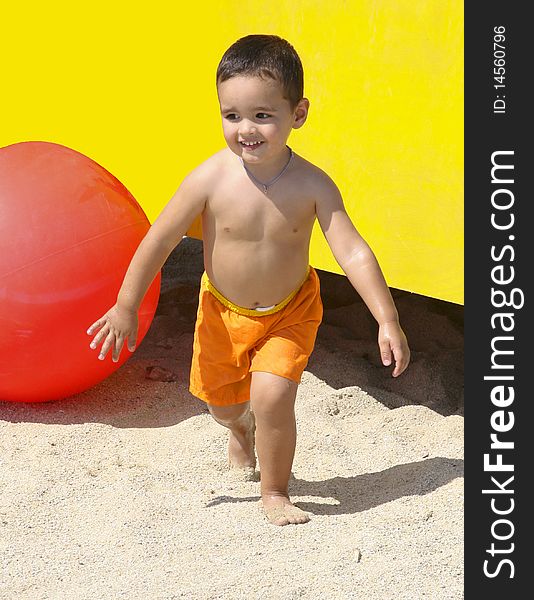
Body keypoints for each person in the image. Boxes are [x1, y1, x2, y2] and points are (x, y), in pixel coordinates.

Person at [87, 34, 410, 526]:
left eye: (263, 115)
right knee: (225, 405)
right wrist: (126, 304)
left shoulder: (314, 185)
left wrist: (386, 318)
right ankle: (239, 429)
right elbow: (160, 240)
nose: (246, 129)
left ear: (297, 114)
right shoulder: (209, 179)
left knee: (273, 394)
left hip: (290, 311)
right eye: (231, 116)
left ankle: (275, 491)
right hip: (222, 311)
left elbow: (352, 249)